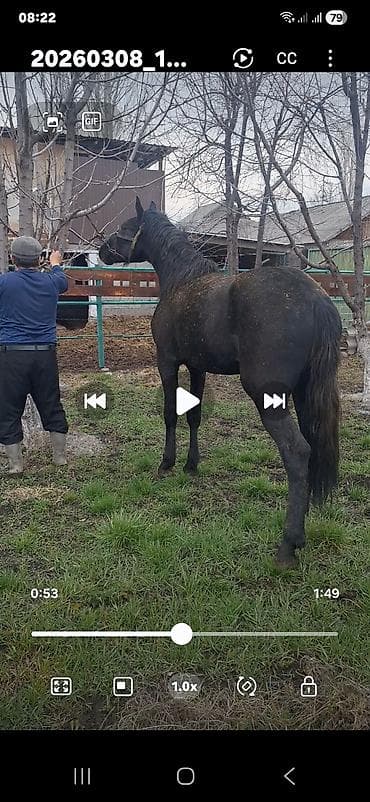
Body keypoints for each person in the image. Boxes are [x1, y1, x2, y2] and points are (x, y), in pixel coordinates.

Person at [0, 236, 69, 474]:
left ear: (12, 258)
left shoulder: (3, 282)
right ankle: (60, 457)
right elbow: (62, 279)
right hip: (45, 356)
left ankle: (16, 464)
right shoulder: (52, 282)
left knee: (8, 408)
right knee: (51, 404)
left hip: (11, 356)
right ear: (40, 260)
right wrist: (56, 261)